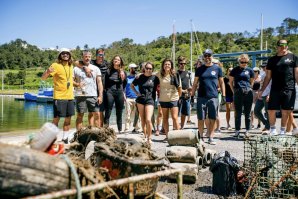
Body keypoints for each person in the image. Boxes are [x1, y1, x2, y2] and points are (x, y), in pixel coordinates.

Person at [259, 39, 298, 135]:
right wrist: (262, 90)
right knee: (271, 110)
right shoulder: (271, 60)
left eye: (285, 45)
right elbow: (268, 77)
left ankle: (282, 132)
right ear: (277, 47)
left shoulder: (293, 57)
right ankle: (273, 130)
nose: (283, 47)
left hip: (289, 88)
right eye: (281, 45)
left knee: (286, 111)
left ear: (287, 46)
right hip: (275, 89)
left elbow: (297, 74)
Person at [191, 49, 225, 145]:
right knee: (201, 118)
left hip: (213, 96)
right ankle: (201, 137)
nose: (207, 58)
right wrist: (192, 96)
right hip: (201, 96)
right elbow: (195, 83)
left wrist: (224, 95)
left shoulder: (217, 69)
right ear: (203, 57)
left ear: (212, 57)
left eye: (209, 56)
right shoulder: (199, 69)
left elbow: (222, 83)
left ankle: (211, 136)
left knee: (212, 117)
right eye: (205, 56)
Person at [41, 48, 75, 143]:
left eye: (67, 53)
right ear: (60, 55)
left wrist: (78, 84)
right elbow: (43, 78)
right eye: (63, 53)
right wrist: (47, 72)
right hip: (59, 96)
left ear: (69, 55)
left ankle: (65, 138)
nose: (65, 55)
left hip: (70, 97)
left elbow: (69, 80)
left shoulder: (71, 66)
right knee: (56, 119)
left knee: (68, 118)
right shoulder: (55, 65)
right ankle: (49, 139)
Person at [78, 48, 109, 127]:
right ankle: (91, 128)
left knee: (100, 112)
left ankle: (101, 129)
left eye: (102, 55)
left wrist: (122, 71)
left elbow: (118, 66)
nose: (100, 56)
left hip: (102, 89)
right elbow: (76, 62)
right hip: (92, 90)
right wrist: (85, 67)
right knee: (92, 112)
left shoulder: (107, 64)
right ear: (96, 55)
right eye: (99, 54)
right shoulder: (91, 62)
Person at [73, 50, 103, 130]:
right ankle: (79, 134)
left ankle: (97, 133)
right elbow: (71, 80)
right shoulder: (75, 69)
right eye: (85, 57)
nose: (87, 58)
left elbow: (99, 83)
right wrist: (77, 84)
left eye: (89, 57)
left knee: (96, 114)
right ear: (82, 57)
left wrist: (100, 96)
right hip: (80, 95)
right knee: (80, 115)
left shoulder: (95, 68)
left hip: (93, 95)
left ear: (91, 57)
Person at [131, 62, 159, 143]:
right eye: (147, 68)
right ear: (144, 69)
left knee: (148, 119)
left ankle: (149, 138)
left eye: (150, 69)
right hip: (140, 99)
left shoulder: (155, 78)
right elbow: (132, 85)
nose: (148, 70)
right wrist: (136, 93)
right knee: (142, 119)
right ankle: (145, 135)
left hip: (150, 100)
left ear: (152, 69)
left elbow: (160, 85)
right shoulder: (139, 77)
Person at [229, 54, 254, 138]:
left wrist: (249, 88)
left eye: (246, 62)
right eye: (242, 62)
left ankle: (247, 130)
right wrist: (234, 91)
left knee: (248, 113)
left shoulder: (250, 70)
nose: (244, 63)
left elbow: (252, 81)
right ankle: (237, 130)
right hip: (238, 91)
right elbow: (230, 82)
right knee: (238, 113)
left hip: (248, 92)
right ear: (239, 61)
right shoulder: (234, 70)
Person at [156, 58, 182, 138]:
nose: (167, 65)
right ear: (163, 66)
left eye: (169, 64)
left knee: (174, 118)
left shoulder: (175, 74)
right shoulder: (159, 74)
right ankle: (168, 136)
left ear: (171, 66)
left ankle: (178, 136)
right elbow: (149, 75)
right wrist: (139, 75)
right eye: (165, 64)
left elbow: (179, 87)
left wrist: (178, 97)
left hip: (174, 98)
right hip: (163, 99)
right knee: (165, 118)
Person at [104, 55, 127, 133]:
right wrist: (107, 91)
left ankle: (120, 130)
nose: (116, 60)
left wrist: (122, 91)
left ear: (120, 62)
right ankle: (106, 129)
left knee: (119, 112)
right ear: (113, 61)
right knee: (108, 111)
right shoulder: (108, 71)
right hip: (110, 92)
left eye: (118, 59)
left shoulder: (123, 72)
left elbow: (125, 83)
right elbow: (105, 83)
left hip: (119, 93)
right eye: (115, 59)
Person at [253, 63, 271, 133]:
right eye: (262, 67)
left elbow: (273, 86)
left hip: (268, 95)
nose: (263, 68)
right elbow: (258, 80)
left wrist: (269, 94)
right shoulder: (263, 74)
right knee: (256, 111)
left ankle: (268, 128)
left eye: (265, 66)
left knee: (267, 112)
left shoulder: (272, 75)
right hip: (261, 95)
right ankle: (266, 123)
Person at [177, 56, 192, 129]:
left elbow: (190, 84)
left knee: (184, 113)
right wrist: (182, 91)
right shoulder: (176, 73)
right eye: (181, 63)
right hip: (177, 96)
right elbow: (174, 85)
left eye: (184, 63)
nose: (183, 65)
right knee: (176, 113)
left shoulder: (188, 73)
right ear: (178, 64)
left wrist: (191, 90)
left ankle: (182, 127)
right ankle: (175, 127)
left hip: (186, 96)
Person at [124, 63, 140, 132]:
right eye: (133, 68)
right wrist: (124, 97)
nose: (134, 69)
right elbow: (123, 88)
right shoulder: (126, 78)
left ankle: (137, 128)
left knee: (137, 114)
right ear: (130, 69)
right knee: (128, 114)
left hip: (137, 98)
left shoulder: (138, 77)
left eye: (135, 68)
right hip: (128, 98)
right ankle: (127, 128)